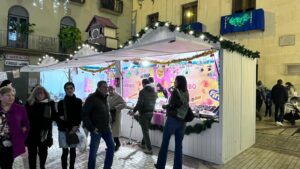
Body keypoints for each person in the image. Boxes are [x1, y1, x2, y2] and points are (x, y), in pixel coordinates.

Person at [155, 75, 189, 169]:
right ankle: (177, 167)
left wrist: (164, 106)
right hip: (182, 121)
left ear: (178, 82)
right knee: (179, 146)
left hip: (172, 120)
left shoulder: (175, 92)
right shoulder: (186, 92)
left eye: (175, 81)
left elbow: (171, 105)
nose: (174, 82)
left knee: (165, 143)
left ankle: (160, 165)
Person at [82, 81, 114, 169]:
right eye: (104, 87)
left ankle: (107, 167)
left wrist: (110, 121)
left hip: (107, 129)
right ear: (99, 88)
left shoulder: (105, 97)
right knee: (93, 152)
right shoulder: (92, 98)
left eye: (106, 87)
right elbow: (84, 114)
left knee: (112, 147)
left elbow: (106, 112)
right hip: (96, 130)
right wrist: (91, 128)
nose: (106, 89)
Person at [25, 86, 56, 169]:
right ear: (34, 94)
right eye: (37, 93)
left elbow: (54, 117)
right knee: (32, 154)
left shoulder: (49, 103)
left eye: (41, 93)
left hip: (44, 133)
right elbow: (25, 118)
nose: (39, 95)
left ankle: (42, 166)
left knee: (43, 153)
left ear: (45, 94)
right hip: (32, 132)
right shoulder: (29, 103)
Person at [0, 86, 29, 169]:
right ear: (0, 96)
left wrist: (19, 138)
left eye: (13, 95)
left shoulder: (20, 109)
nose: (11, 97)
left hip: (9, 145)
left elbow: (26, 126)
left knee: (7, 166)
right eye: (8, 95)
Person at [57, 82, 82, 169]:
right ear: (65, 90)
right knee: (64, 152)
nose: (69, 90)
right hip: (64, 130)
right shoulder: (61, 103)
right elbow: (60, 118)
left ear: (74, 89)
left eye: (71, 88)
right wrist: (70, 124)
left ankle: (71, 167)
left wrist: (76, 126)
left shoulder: (79, 101)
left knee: (73, 151)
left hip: (74, 129)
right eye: (67, 89)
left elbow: (79, 116)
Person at [133, 79, 157, 154]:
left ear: (143, 84)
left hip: (144, 113)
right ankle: (143, 144)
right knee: (146, 129)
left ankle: (149, 149)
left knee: (145, 131)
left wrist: (134, 110)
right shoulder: (154, 91)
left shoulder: (142, 92)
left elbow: (140, 103)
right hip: (151, 112)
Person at [108, 86, 128, 151]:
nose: (110, 91)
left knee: (115, 131)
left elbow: (124, 104)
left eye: (111, 90)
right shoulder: (107, 96)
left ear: (114, 90)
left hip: (116, 115)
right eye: (109, 90)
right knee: (110, 131)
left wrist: (116, 108)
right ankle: (112, 145)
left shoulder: (118, 96)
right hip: (109, 115)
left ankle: (117, 144)